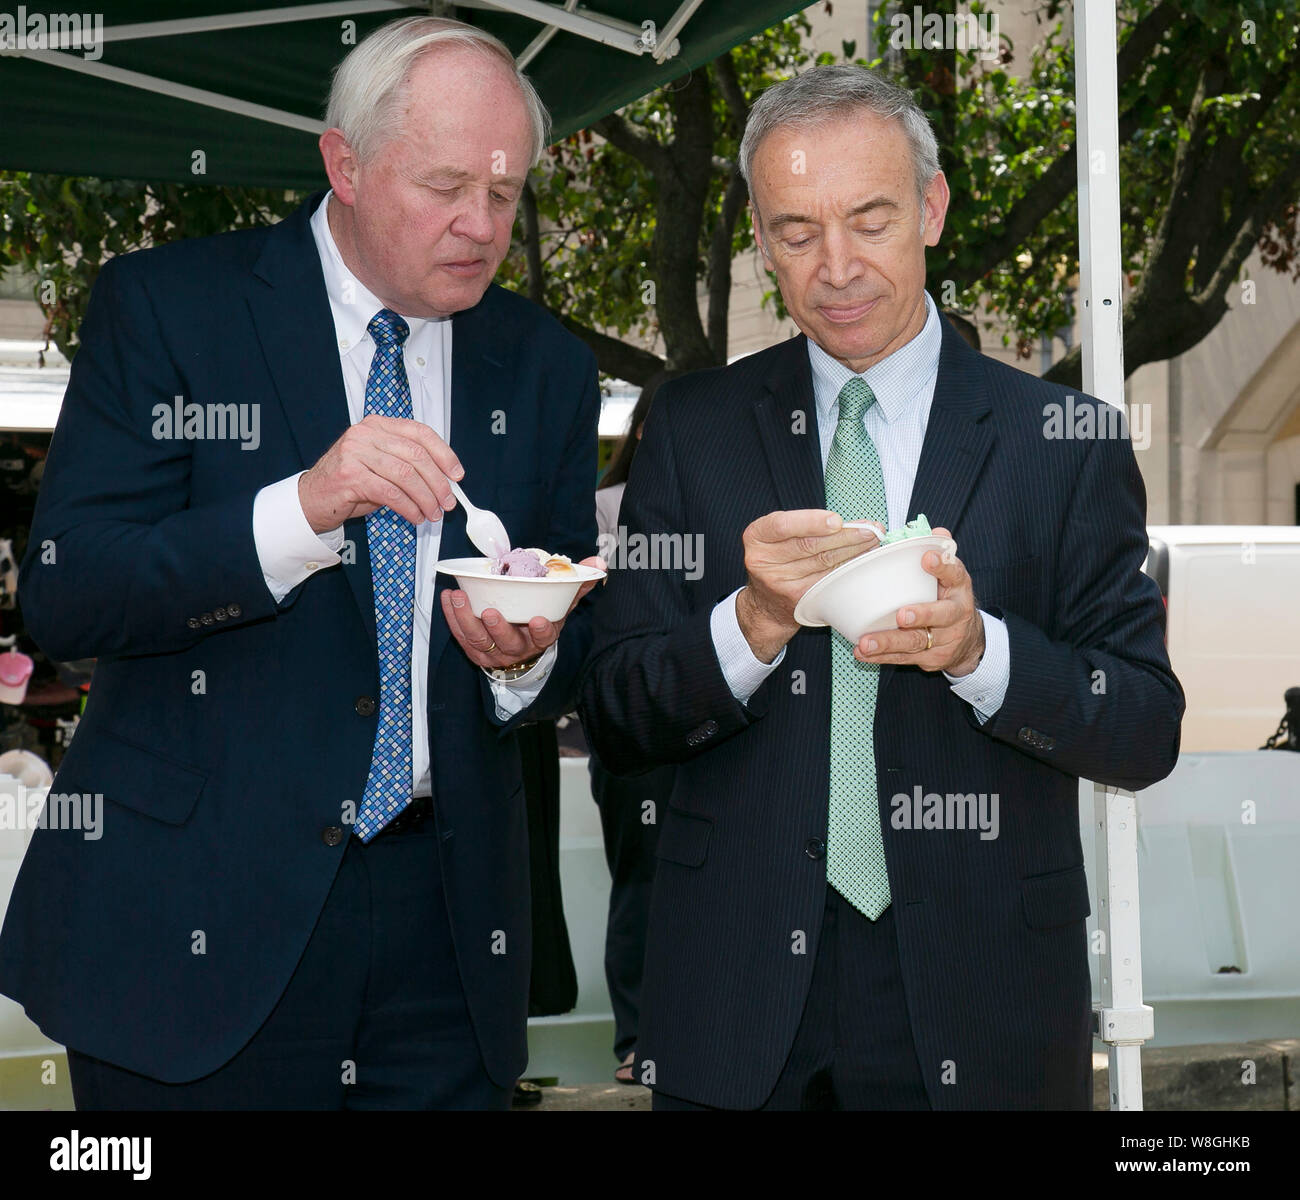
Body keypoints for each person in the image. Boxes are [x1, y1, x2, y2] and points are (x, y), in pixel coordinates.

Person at [0, 16, 602, 1110]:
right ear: (346, 164)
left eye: (506, 194)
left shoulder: (547, 367)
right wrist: (303, 510)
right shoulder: (171, 308)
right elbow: (69, 591)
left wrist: (523, 660)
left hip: (448, 935)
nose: (479, 224)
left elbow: (578, 636)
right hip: (196, 930)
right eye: (445, 185)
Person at [578, 63, 1184, 1110]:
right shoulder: (690, 428)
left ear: (932, 208)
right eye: (796, 232)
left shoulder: (1063, 442)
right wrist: (753, 622)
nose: (837, 266)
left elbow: (1140, 727)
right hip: (732, 994)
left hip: (981, 991)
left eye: (869, 219)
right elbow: (620, 712)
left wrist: (978, 654)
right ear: (762, 241)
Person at [588, 375, 675, 1083]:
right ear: (643, 429)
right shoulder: (605, 509)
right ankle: (637, 1037)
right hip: (633, 724)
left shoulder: (728, 502)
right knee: (641, 877)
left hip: (712, 717)